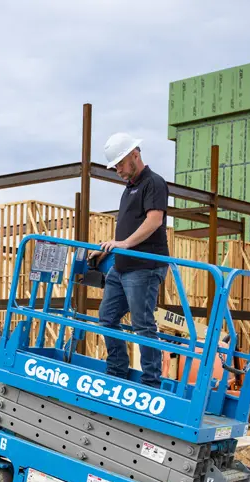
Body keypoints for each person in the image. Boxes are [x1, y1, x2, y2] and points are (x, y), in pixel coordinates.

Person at [90, 132, 170, 389]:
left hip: (145, 267)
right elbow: (126, 230)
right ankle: (117, 371)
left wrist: (123, 244)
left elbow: (154, 221)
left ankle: (150, 383)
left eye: (121, 165)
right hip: (121, 266)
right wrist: (109, 249)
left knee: (142, 325)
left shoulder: (153, 183)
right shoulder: (129, 190)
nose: (118, 171)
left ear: (135, 154)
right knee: (107, 317)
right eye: (115, 167)